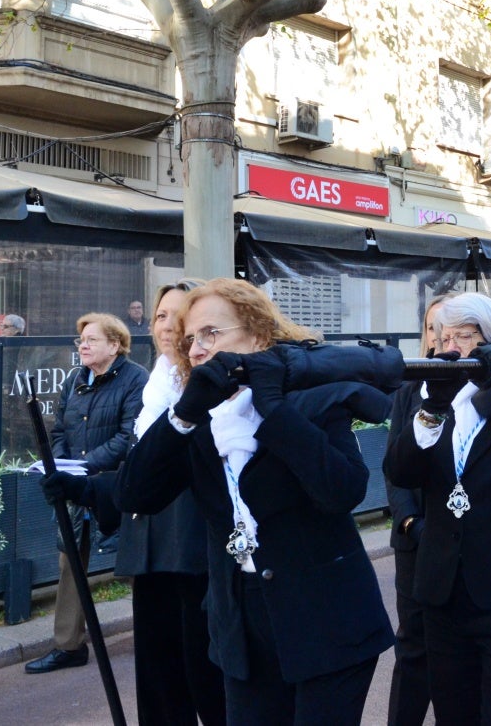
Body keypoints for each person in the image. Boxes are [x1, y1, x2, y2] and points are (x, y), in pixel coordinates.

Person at [113, 278, 395, 725]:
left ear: (259, 336)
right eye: (190, 340)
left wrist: (273, 409)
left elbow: (342, 491)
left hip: (327, 625)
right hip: (242, 631)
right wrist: (183, 414)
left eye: (211, 333)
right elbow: (135, 494)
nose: (197, 349)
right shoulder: (199, 423)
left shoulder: (313, 401)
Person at [42, 279, 227, 724]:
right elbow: (140, 478)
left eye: (178, 315)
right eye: (160, 315)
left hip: (197, 556)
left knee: (209, 683)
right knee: (160, 684)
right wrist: (83, 488)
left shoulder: (213, 388)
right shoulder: (156, 389)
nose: (166, 325)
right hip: (151, 552)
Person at [384, 293, 491, 726]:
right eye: (444, 337)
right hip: (443, 593)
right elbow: (401, 471)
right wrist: (431, 409)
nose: (453, 348)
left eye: (465, 336)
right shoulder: (435, 397)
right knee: (453, 715)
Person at [25, 313, 148, 674]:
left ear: (115, 345)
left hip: (115, 487)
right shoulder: (74, 379)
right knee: (70, 564)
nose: (83, 346)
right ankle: (69, 646)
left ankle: (157, 638)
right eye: (81, 340)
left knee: (134, 565)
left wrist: (86, 467)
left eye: (92, 339)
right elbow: (59, 430)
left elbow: (128, 436)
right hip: (75, 487)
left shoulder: (136, 379)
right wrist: (64, 466)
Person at [383, 293, 453, 726]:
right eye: (432, 328)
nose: (440, 338)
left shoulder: (482, 391)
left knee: (454, 653)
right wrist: (410, 522)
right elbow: (394, 465)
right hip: (415, 539)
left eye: (451, 329)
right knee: (413, 649)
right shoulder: (410, 389)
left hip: (459, 539)